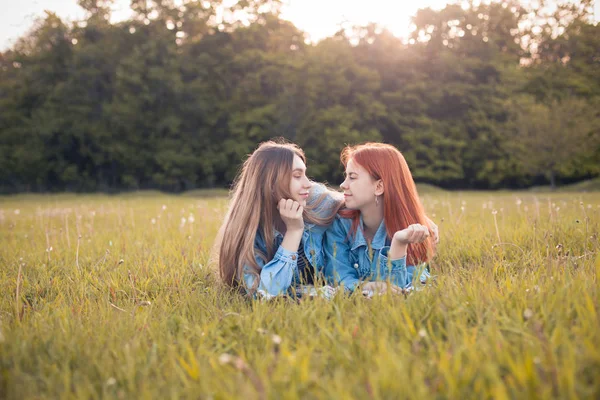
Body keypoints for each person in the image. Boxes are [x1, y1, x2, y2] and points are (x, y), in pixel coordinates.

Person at [215, 140, 344, 299]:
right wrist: (294, 231)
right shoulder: (246, 233)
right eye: (297, 176)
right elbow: (264, 294)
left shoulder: (318, 201)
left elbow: (360, 205)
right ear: (270, 183)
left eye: (305, 174)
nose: (307, 184)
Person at [324, 143, 438, 296]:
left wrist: (399, 243)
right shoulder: (340, 224)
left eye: (352, 177)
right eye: (346, 176)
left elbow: (399, 291)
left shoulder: (411, 231)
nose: (343, 184)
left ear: (379, 187)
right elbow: (338, 278)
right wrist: (370, 286)